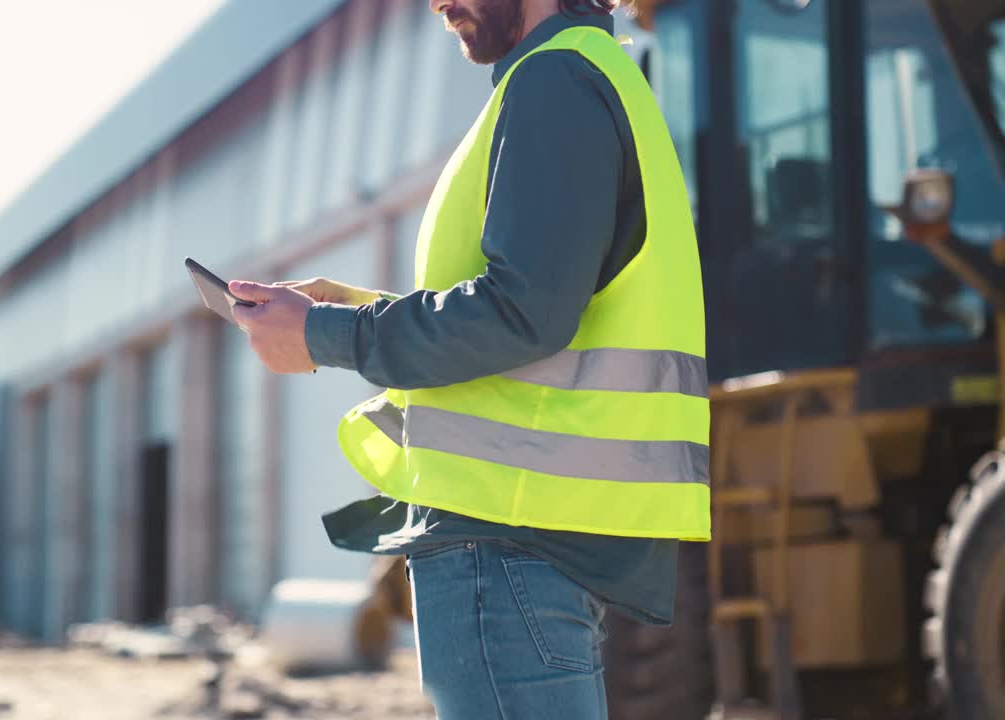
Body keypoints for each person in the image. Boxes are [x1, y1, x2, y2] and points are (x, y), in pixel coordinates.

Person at [231, 0, 709, 717]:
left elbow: (523, 313)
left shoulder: (554, 82)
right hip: (529, 544)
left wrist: (328, 334)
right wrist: (344, 312)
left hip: (507, 546)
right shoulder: (582, 76)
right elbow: (537, 313)